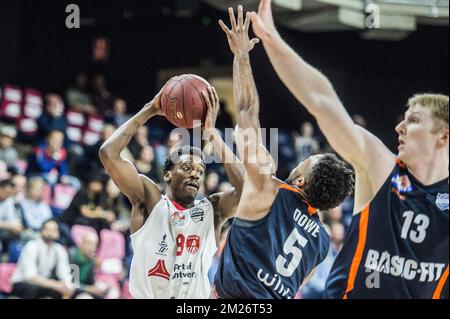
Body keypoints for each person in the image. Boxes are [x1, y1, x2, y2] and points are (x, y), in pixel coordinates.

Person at [250, 0, 449, 299]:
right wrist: (272, 41)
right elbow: (322, 100)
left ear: (443, 136)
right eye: (403, 119)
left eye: (415, 120)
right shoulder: (381, 167)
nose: (399, 128)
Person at [213, 6, 354, 299]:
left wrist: (241, 54)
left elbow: (246, 111)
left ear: (301, 181)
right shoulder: (322, 242)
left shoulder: (269, 186)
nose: (300, 163)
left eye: (306, 163)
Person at [99, 86, 245, 299]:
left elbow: (246, 191)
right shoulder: (149, 200)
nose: (195, 174)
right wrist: (149, 109)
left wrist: (213, 134)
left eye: (200, 171)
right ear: (167, 174)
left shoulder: (212, 210)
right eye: (186, 168)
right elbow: (108, 153)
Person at [10, 219, 80, 299]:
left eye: (54, 230)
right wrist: (56, 284)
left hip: (43, 284)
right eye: (48, 229)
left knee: (60, 292)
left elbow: (64, 273)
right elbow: (30, 277)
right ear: (41, 231)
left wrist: (68, 286)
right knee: (32, 289)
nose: (51, 232)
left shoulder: (59, 249)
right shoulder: (32, 246)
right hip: (22, 283)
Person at [68, 232, 109, 299]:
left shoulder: (91, 260)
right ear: (82, 243)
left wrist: (98, 286)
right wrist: (89, 289)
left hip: (84, 290)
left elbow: (91, 281)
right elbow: (72, 283)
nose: (93, 248)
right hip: (71, 292)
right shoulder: (73, 255)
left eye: (95, 245)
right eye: (90, 244)